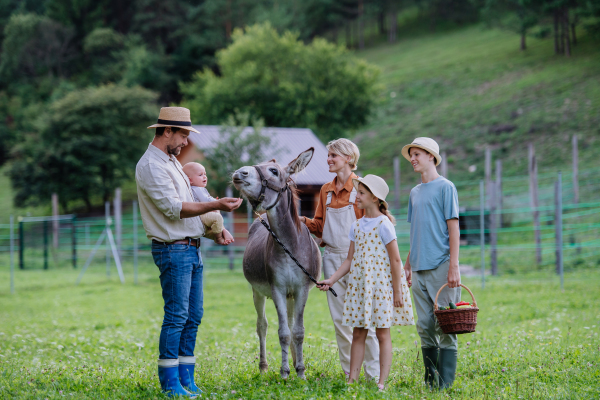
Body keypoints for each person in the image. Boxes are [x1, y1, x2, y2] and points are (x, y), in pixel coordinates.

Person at [136, 107, 242, 398]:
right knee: (177, 315)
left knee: (193, 315)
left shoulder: (172, 162)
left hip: (192, 249)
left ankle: (186, 379)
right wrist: (217, 205)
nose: (185, 142)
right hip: (173, 250)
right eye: (183, 134)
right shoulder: (151, 166)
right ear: (167, 131)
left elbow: (191, 206)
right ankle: (170, 384)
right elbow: (174, 209)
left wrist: (215, 230)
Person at [317, 175, 414, 391]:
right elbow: (349, 260)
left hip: (381, 287)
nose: (356, 196)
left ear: (375, 198)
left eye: (361, 193)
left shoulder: (384, 224)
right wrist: (331, 280)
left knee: (382, 333)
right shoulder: (357, 225)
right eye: (357, 192)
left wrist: (397, 290)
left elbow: (396, 260)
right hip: (361, 287)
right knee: (358, 332)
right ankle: (352, 380)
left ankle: (381, 381)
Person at [301, 138, 380, 381]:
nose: (329, 159)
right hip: (332, 258)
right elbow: (320, 226)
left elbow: (372, 225)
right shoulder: (325, 189)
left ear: (348, 158)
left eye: (333, 155)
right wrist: (299, 220)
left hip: (359, 258)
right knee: (341, 321)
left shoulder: (362, 188)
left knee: (365, 319)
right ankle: (351, 373)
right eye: (328, 155)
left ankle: (374, 374)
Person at [401, 137, 461, 390]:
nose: (412, 159)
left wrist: (454, 265)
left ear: (431, 156)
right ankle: (431, 382)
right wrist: (407, 264)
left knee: (446, 326)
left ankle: (445, 386)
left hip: (441, 266)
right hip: (419, 268)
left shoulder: (446, 187)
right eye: (411, 155)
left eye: (417, 154)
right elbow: (417, 231)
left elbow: (453, 226)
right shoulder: (414, 193)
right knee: (424, 325)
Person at [182, 162, 234, 245]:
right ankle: (219, 238)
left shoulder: (192, 189)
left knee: (212, 227)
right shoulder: (197, 189)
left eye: (205, 174)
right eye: (200, 175)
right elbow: (206, 200)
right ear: (190, 180)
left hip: (197, 218)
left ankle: (221, 232)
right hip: (199, 215)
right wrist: (218, 202)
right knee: (217, 218)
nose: (204, 176)